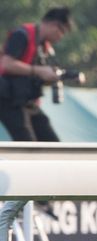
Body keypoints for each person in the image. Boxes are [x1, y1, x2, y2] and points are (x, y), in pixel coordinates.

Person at [0, 7, 73, 141]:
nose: (60, 37)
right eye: (62, 32)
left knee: (51, 143)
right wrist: (39, 71)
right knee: (28, 145)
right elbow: (6, 64)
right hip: (9, 98)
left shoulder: (43, 46)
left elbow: (32, 73)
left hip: (28, 101)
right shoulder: (22, 34)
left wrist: (50, 77)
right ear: (54, 25)